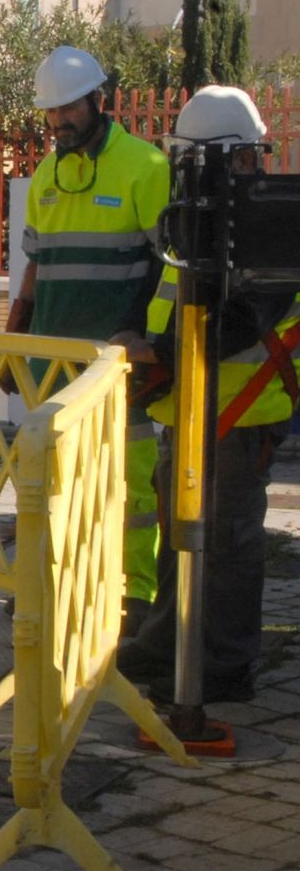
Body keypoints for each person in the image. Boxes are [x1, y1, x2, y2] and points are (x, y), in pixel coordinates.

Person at [118, 86, 298, 704]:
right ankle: (167, 644)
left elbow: (240, 324)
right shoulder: (200, 227)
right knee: (183, 538)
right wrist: (153, 351)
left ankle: (221, 666)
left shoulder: (266, 230)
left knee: (226, 546)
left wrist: (159, 356)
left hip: (237, 415)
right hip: (193, 412)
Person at [7, 46, 170, 635]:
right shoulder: (49, 173)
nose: (58, 123)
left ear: (99, 100)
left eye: (68, 109)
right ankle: (62, 586)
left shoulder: (146, 167)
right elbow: (35, 268)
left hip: (119, 367)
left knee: (130, 486)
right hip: (56, 365)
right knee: (55, 484)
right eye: (50, 114)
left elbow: (171, 268)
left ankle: (137, 599)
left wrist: (154, 343)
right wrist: (15, 336)